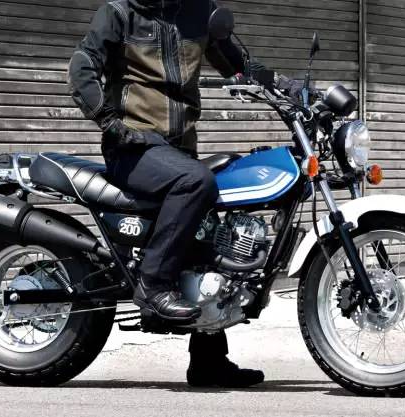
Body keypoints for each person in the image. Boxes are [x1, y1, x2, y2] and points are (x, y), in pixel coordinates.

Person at [68, 0, 299, 388]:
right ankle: (153, 285)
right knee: (196, 182)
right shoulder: (121, 12)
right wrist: (110, 123)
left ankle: (208, 362)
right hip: (132, 146)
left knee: (207, 233)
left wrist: (287, 87)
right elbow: (82, 66)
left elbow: (238, 65)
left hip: (178, 150)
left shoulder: (199, 11)